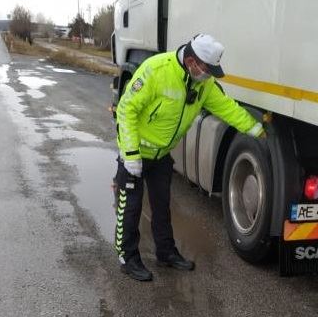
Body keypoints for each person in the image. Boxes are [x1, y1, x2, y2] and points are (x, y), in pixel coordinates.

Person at [114, 34, 265, 281]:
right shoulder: (156, 69)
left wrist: (256, 130)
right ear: (193, 61)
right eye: (206, 69)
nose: (208, 76)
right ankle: (127, 257)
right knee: (129, 208)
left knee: (162, 207)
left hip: (161, 154)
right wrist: (130, 154)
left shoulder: (203, 85)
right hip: (136, 152)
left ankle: (165, 252)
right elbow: (126, 108)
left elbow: (227, 108)